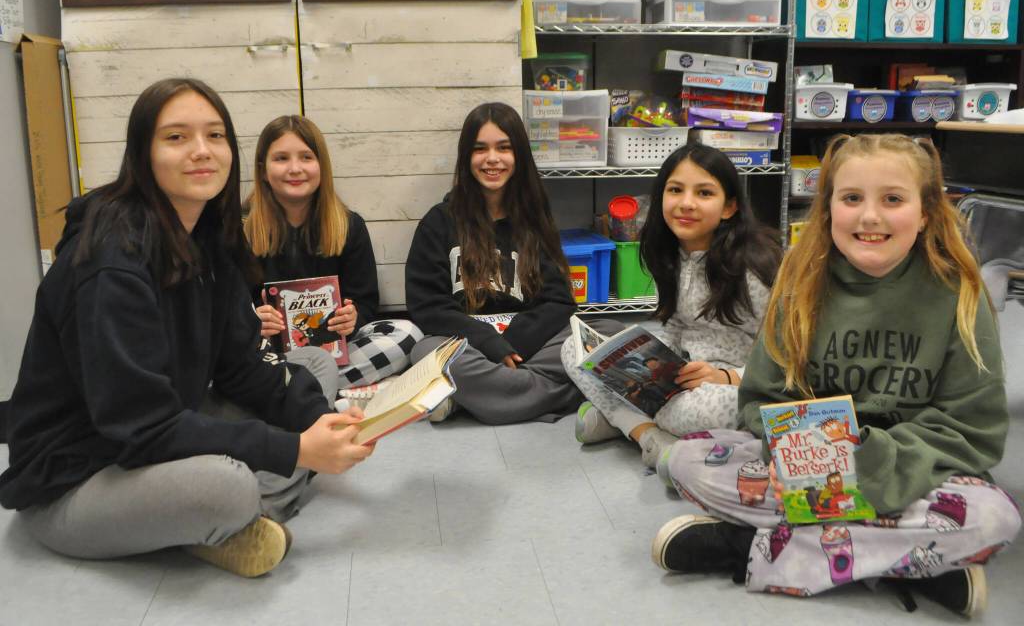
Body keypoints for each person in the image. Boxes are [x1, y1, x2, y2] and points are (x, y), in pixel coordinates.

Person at [0, 78, 374, 578]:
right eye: (176, 137)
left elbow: (242, 366)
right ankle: (224, 516)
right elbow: (141, 427)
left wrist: (317, 421)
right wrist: (297, 449)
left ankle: (210, 525)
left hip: (167, 422)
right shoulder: (112, 258)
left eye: (215, 135)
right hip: (78, 476)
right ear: (144, 153)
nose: (201, 151)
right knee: (228, 486)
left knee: (315, 365)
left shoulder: (207, 236)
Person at [651, 134, 1020, 617]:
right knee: (685, 458)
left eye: (892, 199)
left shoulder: (960, 293)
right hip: (809, 469)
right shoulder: (801, 283)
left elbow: (971, 429)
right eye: (851, 198)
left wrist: (868, 466)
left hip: (912, 471)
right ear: (827, 211)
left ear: (926, 211)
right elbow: (761, 399)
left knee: (995, 518)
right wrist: (797, 462)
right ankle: (911, 563)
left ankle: (749, 552)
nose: (870, 216)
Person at [564, 143, 782, 467]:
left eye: (704, 193)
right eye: (675, 190)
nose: (686, 204)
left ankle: (623, 420)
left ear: (729, 207)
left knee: (721, 408)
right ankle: (648, 435)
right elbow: (677, 326)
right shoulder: (670, 252)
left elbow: (787, 358)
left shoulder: (754, 267)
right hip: (681, 373)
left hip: (733, 387)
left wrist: (726, 377)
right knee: (574, 349)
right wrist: (640, 355)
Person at [404, 102, 619, 424]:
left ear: (518, 155)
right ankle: (567, 392)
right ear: (467, 158)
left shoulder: (535, 220)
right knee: (426, 355)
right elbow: (428, 306)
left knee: (609, 333)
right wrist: (490, 343)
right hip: (468, 343)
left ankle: (466, 399)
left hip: (526, 341)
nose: (492, 158)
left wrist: (513, 345)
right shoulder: (439, 221)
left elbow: (559, 300)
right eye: (480, 149)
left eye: (504, 148)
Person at [244, 115, 422, 403]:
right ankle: (342, 394)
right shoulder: (241, 232)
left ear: (321, 167)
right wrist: (252, 319)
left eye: (306, 157)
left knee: (407, 334)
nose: (294, 168)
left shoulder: (349, 226)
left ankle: (292, 394)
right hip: (267, 356)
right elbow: (225, 315)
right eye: (281, 158)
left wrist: (352, 318)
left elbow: (364, 302)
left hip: (333, 354)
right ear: (263, 170)